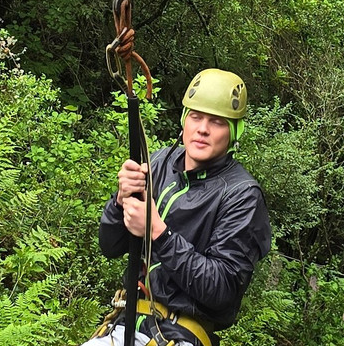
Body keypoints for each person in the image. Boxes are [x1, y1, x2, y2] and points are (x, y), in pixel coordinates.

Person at [83, 68, 272, 346]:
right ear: (184, 121)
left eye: (217, 121)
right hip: (126, 322)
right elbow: (109, 246)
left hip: (181, 335)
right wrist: (120, 201)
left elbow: (222, 290)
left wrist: (158, 233)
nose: (203, 129)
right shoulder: (159, 163)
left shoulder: (242, 195)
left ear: (233, 132)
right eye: (195, 116)